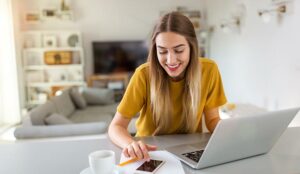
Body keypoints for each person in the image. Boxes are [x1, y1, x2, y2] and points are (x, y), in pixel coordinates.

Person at [108, 12, 227, 161]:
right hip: (149, 154)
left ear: (191, 47)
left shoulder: (209, 70)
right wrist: (130, 144)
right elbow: (116, 126)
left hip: (189, 151)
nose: (171, 60)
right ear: (155, 49)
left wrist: (228, 131)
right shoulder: (143, 75)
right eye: (162, 51)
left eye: (179, 50)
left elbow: (212, 120)